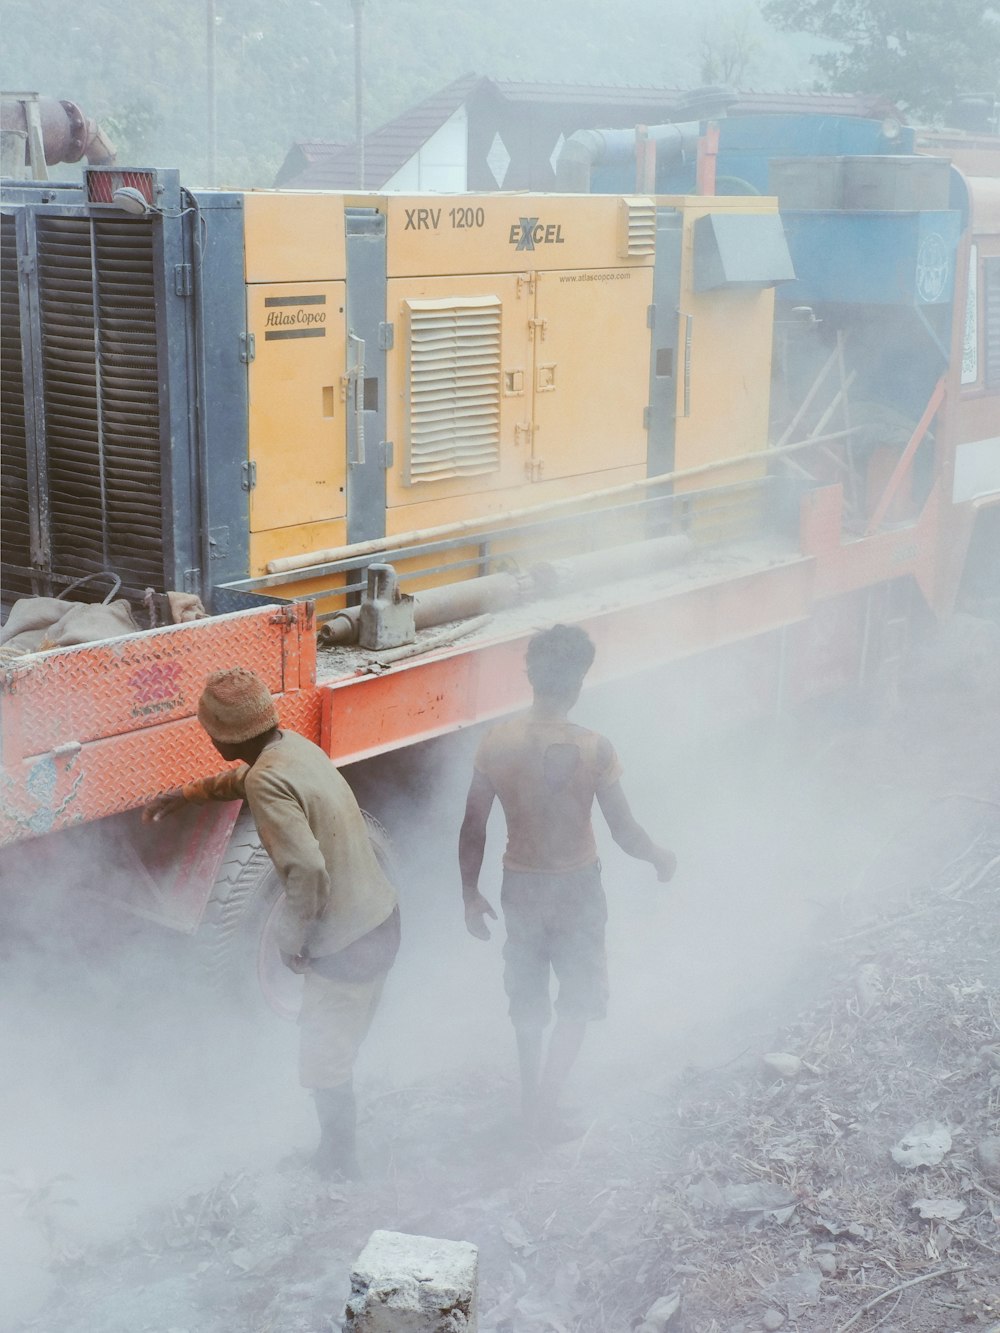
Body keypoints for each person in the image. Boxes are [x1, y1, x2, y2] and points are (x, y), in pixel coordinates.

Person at [145, 667, 399, 1179]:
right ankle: (340, 1152)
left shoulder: (266, 778)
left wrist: (291, 938)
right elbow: (251, 776)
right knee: (335, 1044)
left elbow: (305, 870)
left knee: (324, 1065)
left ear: (222, 737)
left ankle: (339, 1167)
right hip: (384, 918)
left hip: (349, 940)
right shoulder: (294, 748)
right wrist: (190, 794)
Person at [459, 624, 675, 1141]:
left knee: (527, 1001)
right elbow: (622, 830)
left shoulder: (497, 743)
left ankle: (531, 1103)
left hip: (521, 886)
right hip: (577, 888)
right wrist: (659, 857)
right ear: (578, 684)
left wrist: (470, 893)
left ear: (531, 678)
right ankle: (544, 1113)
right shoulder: (595, 749)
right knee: (577, 1001)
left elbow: (473, 825)